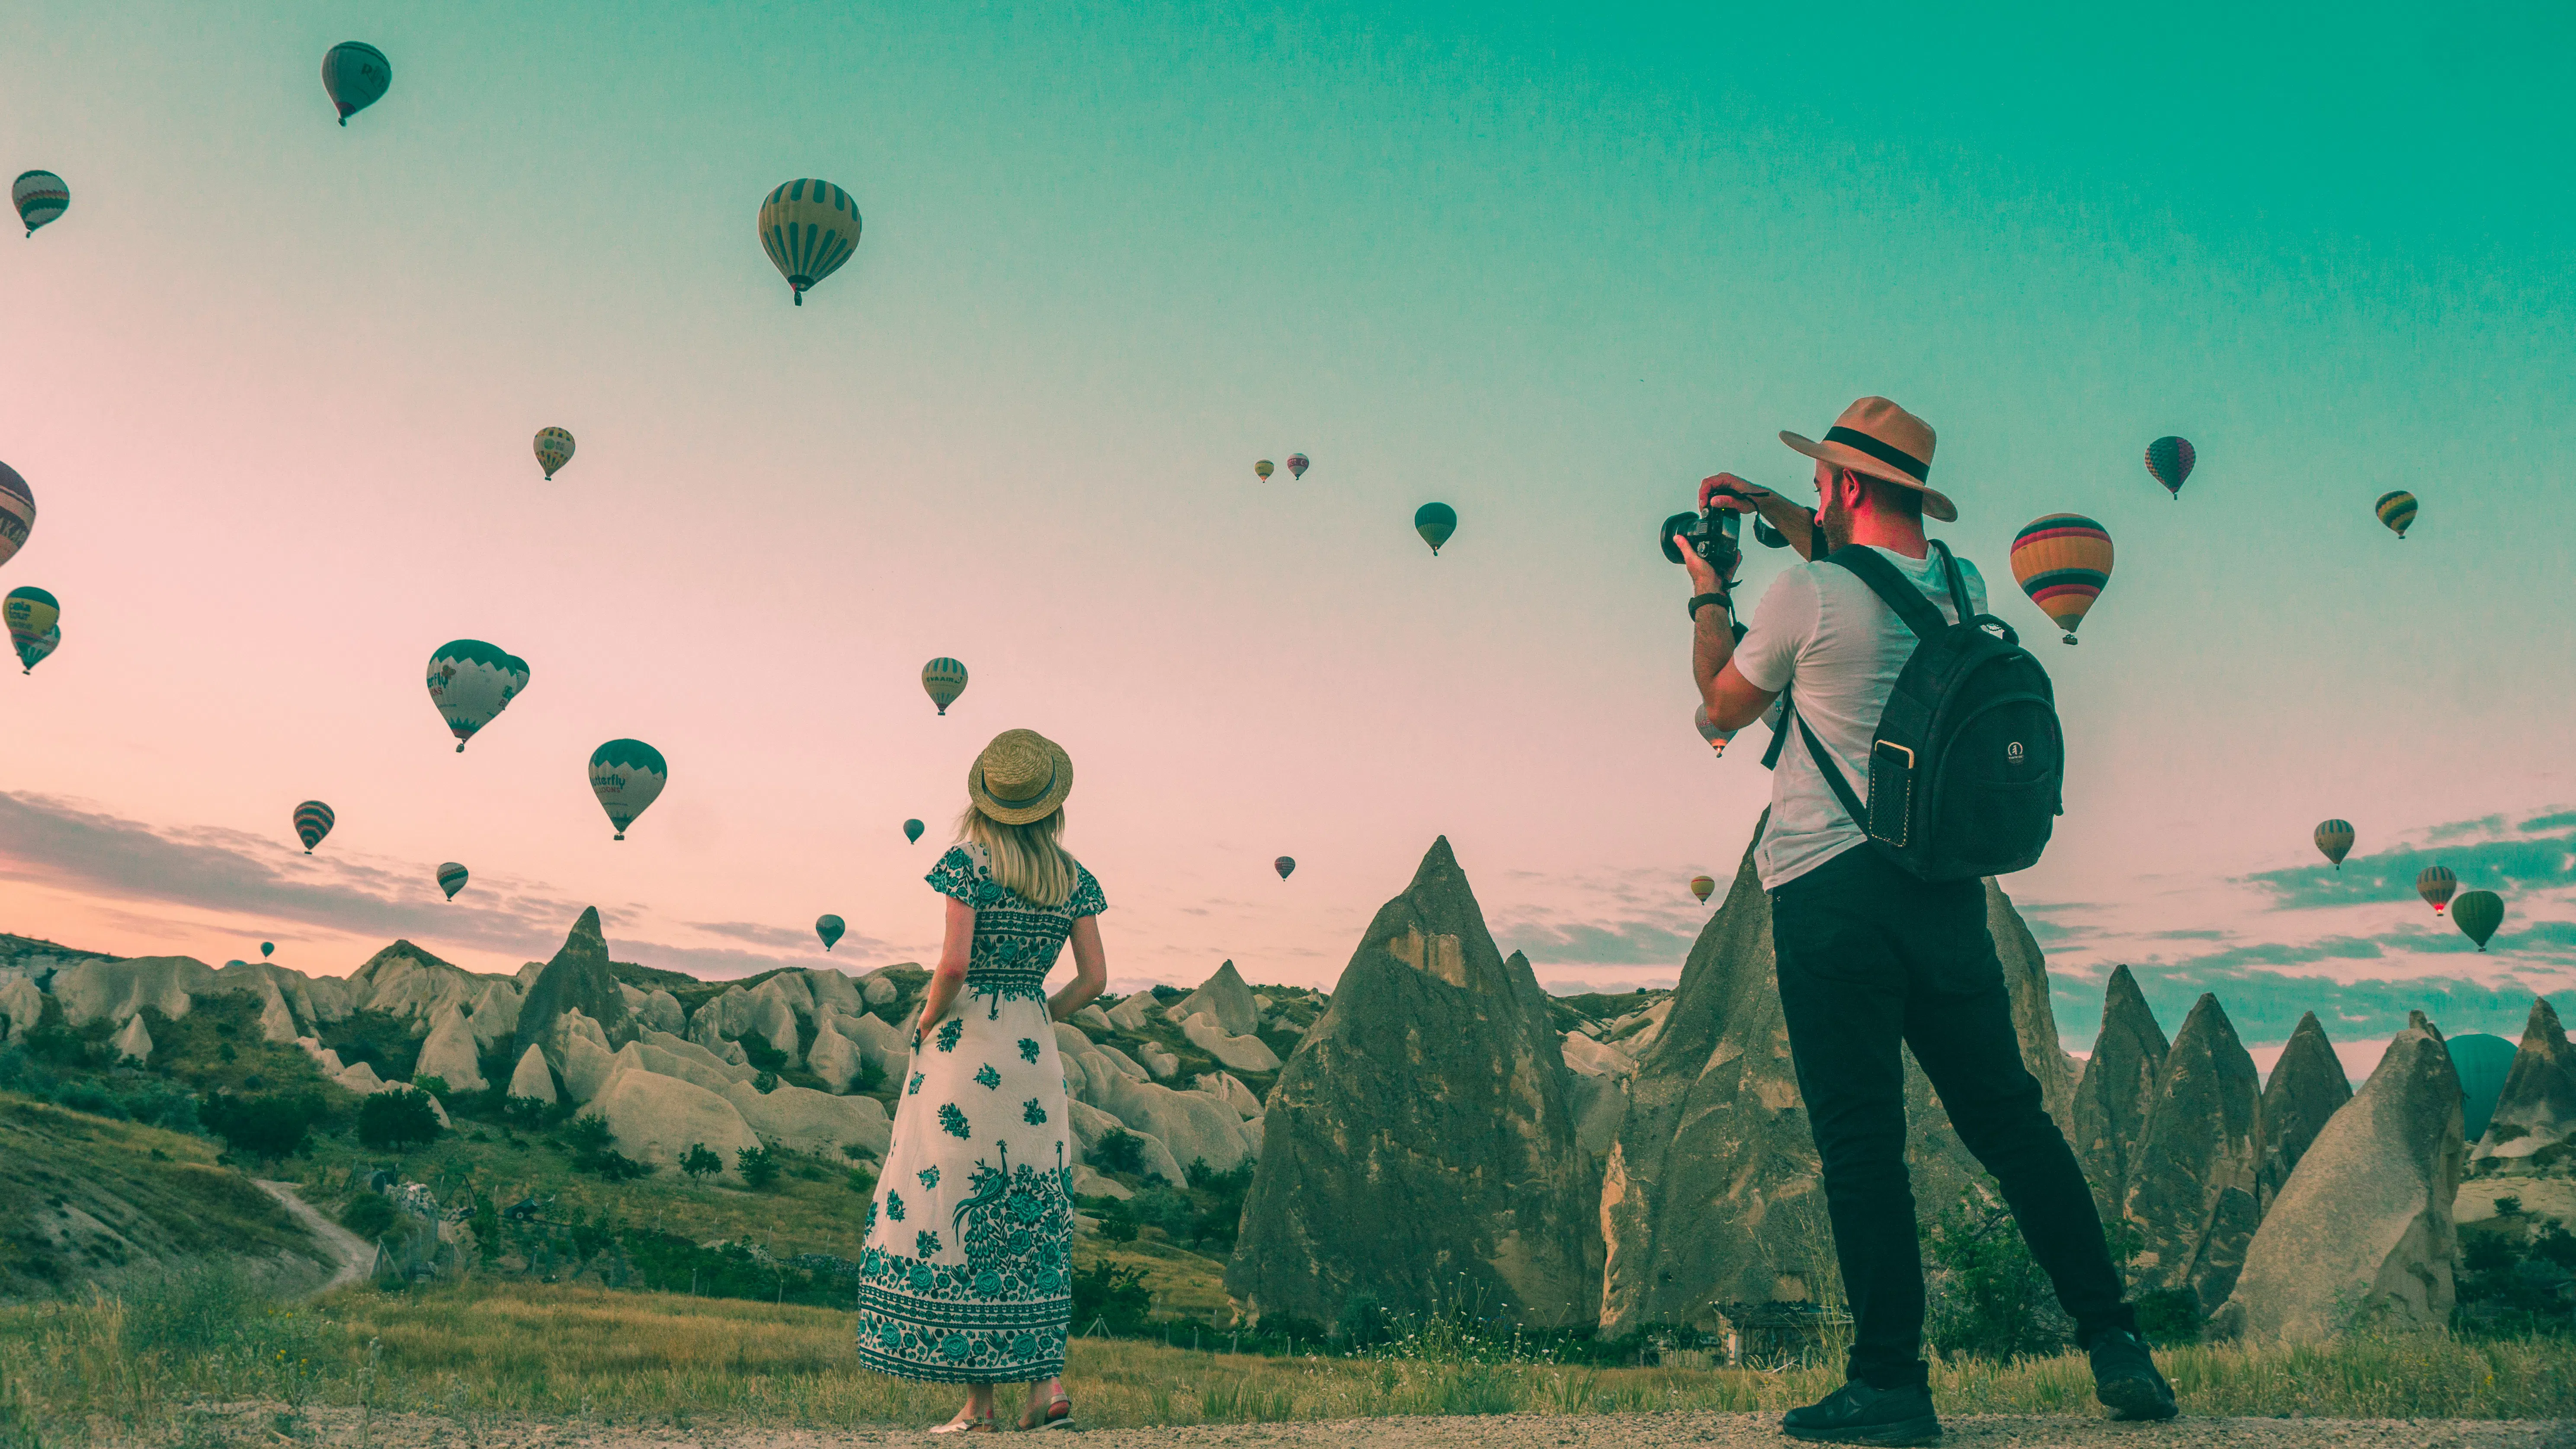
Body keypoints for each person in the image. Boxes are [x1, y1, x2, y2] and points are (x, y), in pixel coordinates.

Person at [1682, 398, 2176, 1443]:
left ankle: (1891, 1385)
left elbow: (1719, 710)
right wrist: (1768, 502)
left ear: (1847, 488)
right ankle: (2114, 1338)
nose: (1814, 495)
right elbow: (1868, 566)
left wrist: (1706, 595)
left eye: (1821, 481)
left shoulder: (1798, 597)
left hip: (1828, 897)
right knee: (2011, 1122)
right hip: (1948, 896)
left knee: (1862, 1145)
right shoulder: (1962, 589)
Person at [853, 728, 1109, 1433]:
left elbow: (954, 965)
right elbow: (1096, 978)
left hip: (967, 1053)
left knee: (962, 1200)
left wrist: (925, 1022)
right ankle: (1045, 1386)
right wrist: (1041, 1014)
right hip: (1034, 1053)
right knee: (1035, 1205)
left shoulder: (967, 863)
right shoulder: (1073, 875)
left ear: (985, 800)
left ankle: (979, 1405)